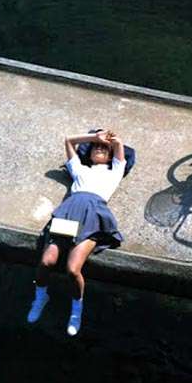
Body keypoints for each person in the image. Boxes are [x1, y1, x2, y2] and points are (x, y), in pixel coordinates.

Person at [26, 129, 127, 336]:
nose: (99, 148)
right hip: (69, 211)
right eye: (96, 147)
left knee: (73, 269)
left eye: (104, 149)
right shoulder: (79, 169)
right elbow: (69, 140)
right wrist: (94, 137)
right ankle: (41, 296)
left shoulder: (114, 171)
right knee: (46, 261)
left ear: (110, 156)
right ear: (89, 152)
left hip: (93, 214)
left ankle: (76, 309)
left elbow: (119, 147)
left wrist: (112, 140)